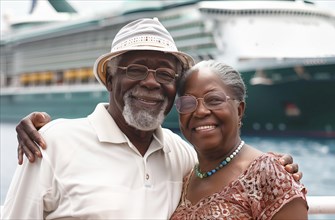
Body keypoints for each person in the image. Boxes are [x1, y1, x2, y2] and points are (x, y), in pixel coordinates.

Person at [4, 18, 301, 219]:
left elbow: (229, 171)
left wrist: (274, 169)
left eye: (164, 73)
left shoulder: (180, 154)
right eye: (135, 70)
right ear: (110, 79)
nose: (150, 83)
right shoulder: (51, 143)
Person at [170, 60, 308, 219]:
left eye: (214, 99)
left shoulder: (267, 173)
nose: (200, 112)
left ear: (239, 110)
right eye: (188, 103)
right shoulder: (185, 179)